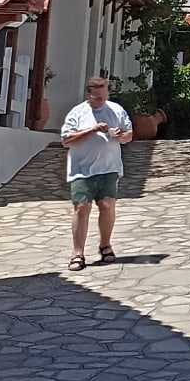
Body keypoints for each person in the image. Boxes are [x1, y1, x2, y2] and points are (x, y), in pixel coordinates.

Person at [61, 76, 133, 269]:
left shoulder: (116, 110)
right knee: (82, 207)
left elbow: (129, 135)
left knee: (107, 205)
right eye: (97, 97)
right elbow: (66, 141)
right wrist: (92, 130)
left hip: (109, 167)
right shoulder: (78, 113)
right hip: (81, 170)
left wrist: (122, 136)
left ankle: (105, 245)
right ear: (89, 95)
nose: (102, 100)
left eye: (104, 95)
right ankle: (78, 253)